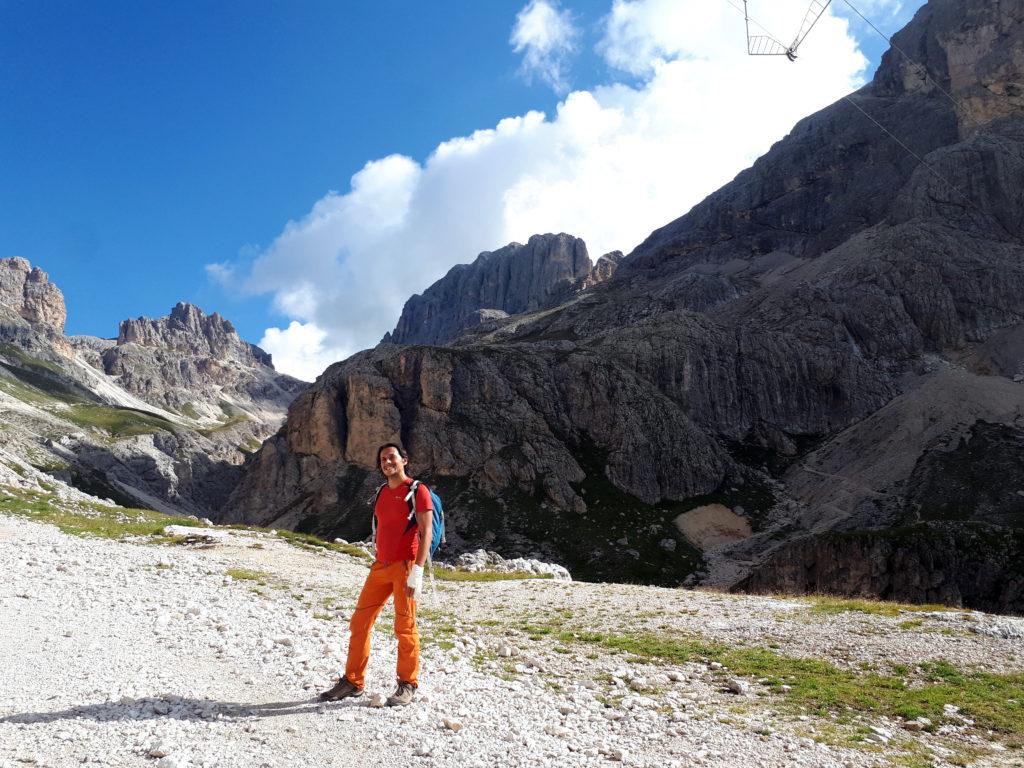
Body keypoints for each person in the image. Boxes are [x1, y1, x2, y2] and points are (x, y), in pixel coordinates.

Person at [319, 442, 433, 707]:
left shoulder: (418, 491)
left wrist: (418, 570)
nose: (387, 462)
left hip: (405, 567)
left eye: (392, 457)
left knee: (405, 627)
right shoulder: (382, 491)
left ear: (404, 460)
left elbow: (426, 532)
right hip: (380, 567)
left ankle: (408, 684)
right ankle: (352, 682)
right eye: (382, 459)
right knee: (360, 623)